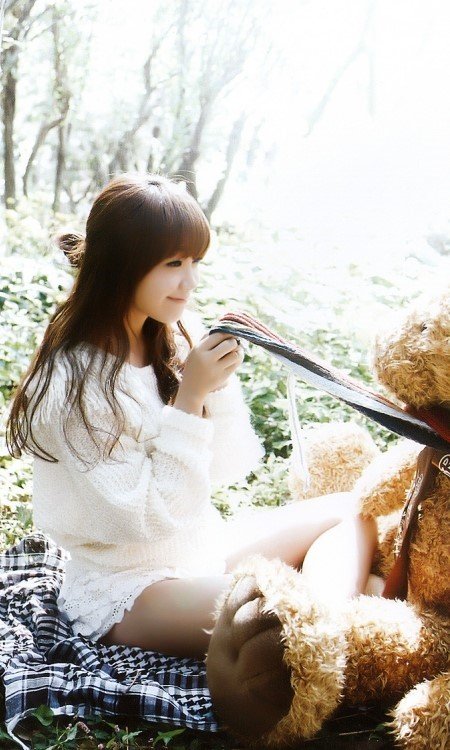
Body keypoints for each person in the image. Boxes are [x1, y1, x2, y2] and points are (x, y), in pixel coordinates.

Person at [7, 174, 377, 659]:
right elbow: (146, 519)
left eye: (195, 262)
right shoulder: (72, 383)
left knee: (355, 508)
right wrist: (190, 396)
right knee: (297, 612)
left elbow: (227, 464)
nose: (190, 281)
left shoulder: (170, 332)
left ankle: (328, 633)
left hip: (199, 552)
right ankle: (333, 633)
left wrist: (211, 389)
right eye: (174, 264)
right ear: (122, 264)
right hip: (128, 588)